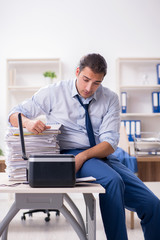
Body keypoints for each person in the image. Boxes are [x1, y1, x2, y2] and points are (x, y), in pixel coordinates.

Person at [9, 53, 160, 240]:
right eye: (86, 79)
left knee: (153, 205)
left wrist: (82, 157)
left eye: (96, 83)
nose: (89, 88)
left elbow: (110, 143)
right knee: (112, 181)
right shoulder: (54, 92)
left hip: (101, 155)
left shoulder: (110, 98)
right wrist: (28, 123)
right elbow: (13, 114)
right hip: (69, 153)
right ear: (77, 72)